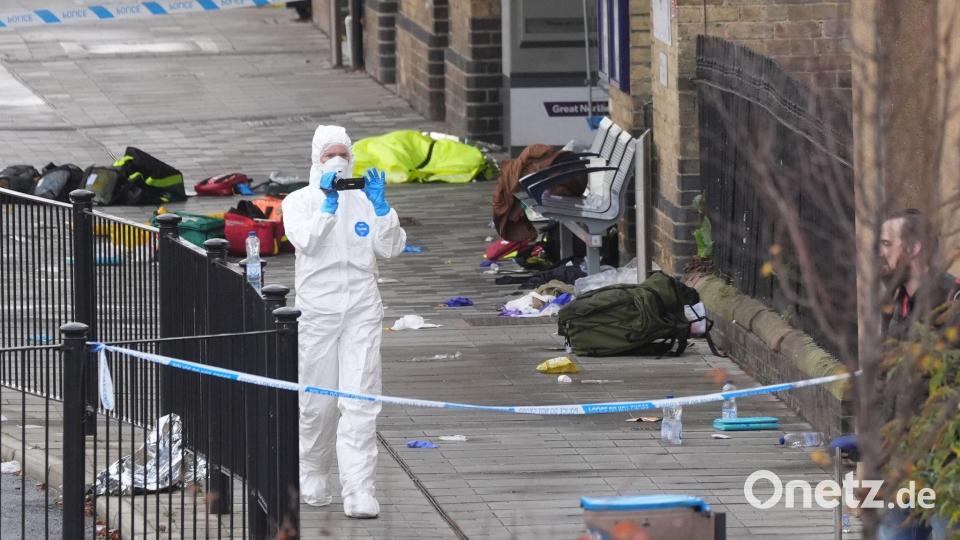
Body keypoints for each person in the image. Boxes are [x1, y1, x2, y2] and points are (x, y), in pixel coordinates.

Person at [282, 125, 406, 518]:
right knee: (318, 400)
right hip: (317, 309)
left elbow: (390, 248)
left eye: (343, 154)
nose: (337, 161)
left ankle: (358, 488)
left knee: (360, 397)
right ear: (315, 160)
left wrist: (383, 209)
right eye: (328, 155)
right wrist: (328, 207)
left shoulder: (366, 201)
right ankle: (312, 471)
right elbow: (307, 242)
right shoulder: (298, 201)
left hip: (361, 309)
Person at [875, 209, 959, 540]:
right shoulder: (897, 304)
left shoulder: (950, 302)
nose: (880, 253)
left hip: (944, 466)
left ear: (914, 249)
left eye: (886, 244)